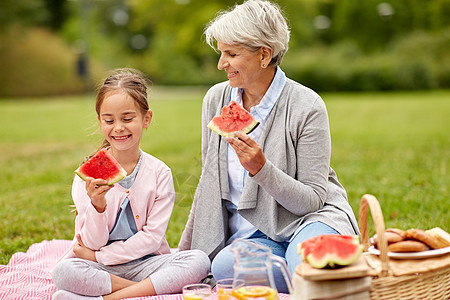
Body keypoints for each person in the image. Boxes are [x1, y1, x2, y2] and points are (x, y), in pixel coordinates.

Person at [178, 0, 360, 293]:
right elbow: (209, 183)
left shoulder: (307, 105)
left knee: (303, 259)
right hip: (259, 237)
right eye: (221, 53)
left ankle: (316, 272)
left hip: (310, 219)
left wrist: (262, 170)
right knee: (224, 267)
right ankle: (319, 279)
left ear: (264, 55)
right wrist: (184, 253)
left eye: (231, 54)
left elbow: (312, 200)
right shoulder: (215, 100)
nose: (221, 64)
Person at [52, 68, 210, 300]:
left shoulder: (160, 173)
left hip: (146, 262)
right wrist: (97, 206)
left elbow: (152, 238)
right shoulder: (86, 177)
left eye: (127, 119)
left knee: (198, 260)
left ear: (146, 119)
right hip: (105, 270)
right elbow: (91, 243)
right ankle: (144, 291)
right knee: (64, 271)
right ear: (100, 121)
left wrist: (98, 258)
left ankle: (110, 297)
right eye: (109, 120)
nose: (118, 128)